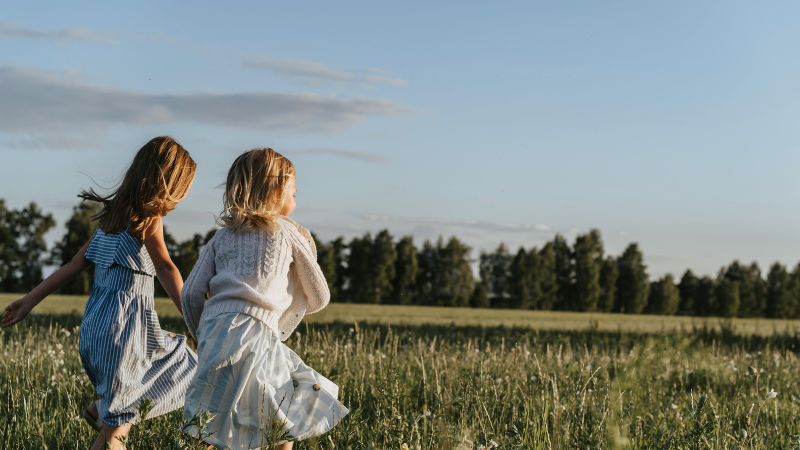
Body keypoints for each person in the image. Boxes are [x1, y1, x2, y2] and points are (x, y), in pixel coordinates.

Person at [1, 136, 199, 450]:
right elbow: (165, 268)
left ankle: (100, 411)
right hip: (125, 335)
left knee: (176, 359)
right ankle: (108, 418)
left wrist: (28, 301)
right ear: (168, 185)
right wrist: (193, 319)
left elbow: (74, 264)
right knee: (119, 431)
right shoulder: (149, 220)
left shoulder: (112, 216)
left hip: (97, 331)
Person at [181, 148, 348, 449]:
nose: (296, 199)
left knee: (209, 421)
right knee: (291, 405)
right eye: (294, 192)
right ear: (275, 191)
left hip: (216, 336)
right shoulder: (288, 232)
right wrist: (287, 305)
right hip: (257, 334)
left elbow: (191, 292)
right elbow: (320, 294)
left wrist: (199, 333)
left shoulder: (221, 237)